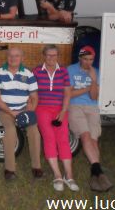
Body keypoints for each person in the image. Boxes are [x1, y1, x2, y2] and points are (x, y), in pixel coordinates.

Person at [0, 47, 44, 180]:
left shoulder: (28, 74)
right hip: (5, 110)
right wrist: (12, 112)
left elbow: (34, 97)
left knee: (34, 132)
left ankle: (36, 166)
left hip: (24, 109)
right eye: (10, 55)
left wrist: (28, 112)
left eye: (16, 56)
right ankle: (9, 169)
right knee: (10, 131)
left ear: (22, 58)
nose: (13, 58)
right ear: (6, 57)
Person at [33, 44, 79, 192]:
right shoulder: (37, 71)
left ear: (58, 56)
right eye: (48, 55)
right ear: (44, 56)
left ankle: (69, 175)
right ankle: (58, 175)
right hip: (43, 109)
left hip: (60, 109)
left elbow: (67, 94)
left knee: (63, 139)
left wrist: (63, 111)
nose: (51, 58)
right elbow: (33, 93)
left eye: (54, 55)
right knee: (49, 138)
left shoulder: (63, 71)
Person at [68, 45, 113, 192]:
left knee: (94, 140)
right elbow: (70, 94)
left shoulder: (96, 72)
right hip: (75, 106)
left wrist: (93, 81)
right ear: (80, 58)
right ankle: (99, 172)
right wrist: (88, 87)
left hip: (92, 107)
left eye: (91, 59)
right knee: (86, 136)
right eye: (86, 59)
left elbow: (94, 96)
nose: (89, 62)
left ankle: (96, 174)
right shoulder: (71, 70)